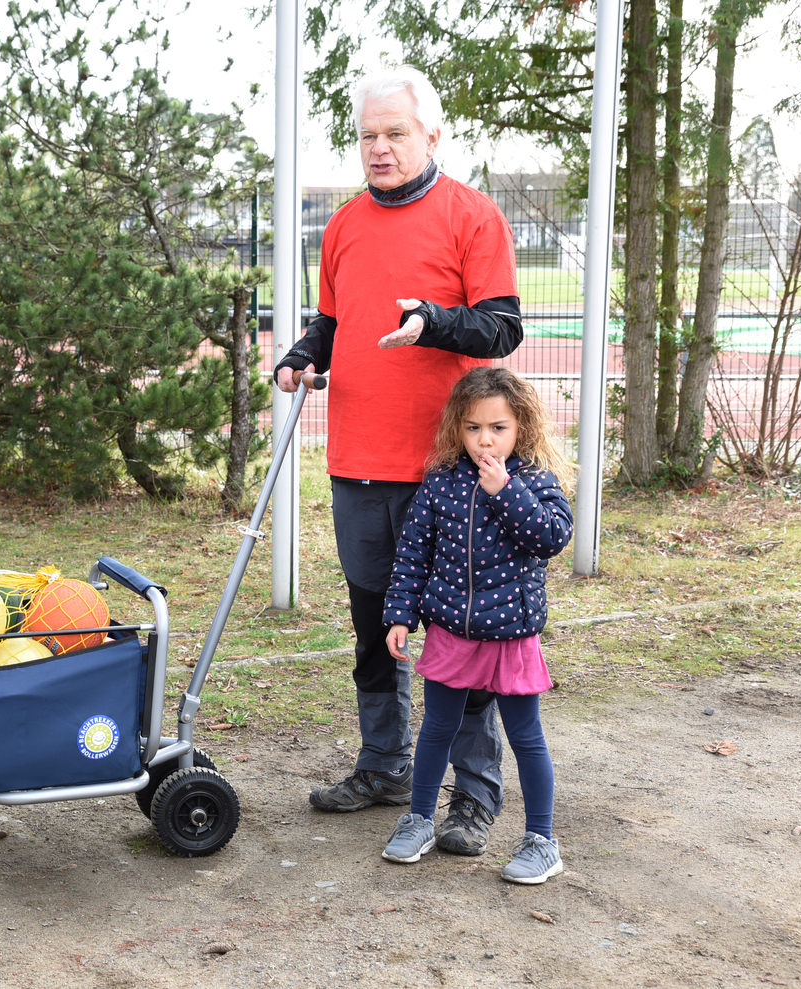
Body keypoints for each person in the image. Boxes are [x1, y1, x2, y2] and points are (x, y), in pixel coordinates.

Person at [275, 66, 523, 852]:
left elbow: (501, 329)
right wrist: (301, 353)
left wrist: (433, 325)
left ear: (432, 137)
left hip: (447, 473)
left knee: (462, 635)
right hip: (357, 465)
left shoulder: (473, 217)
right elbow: (333, 324)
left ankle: (473, 795)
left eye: (395, 134)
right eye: (367, 136)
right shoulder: (344, 223)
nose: (379, 149)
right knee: (372, 627)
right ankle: (384, 765)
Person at [377, 367, 574, 883]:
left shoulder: (535, 482)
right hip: (450, 632)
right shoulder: (442, 483)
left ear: (522, 429)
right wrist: (400, 614)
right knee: (437, 728)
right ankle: (419, 819)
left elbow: (551, 537)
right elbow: (414, 553)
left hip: (511, 635)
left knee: (525, 735)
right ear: (456, 431)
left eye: (498, 428)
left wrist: (505, 490)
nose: (484, 439)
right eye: (472, 428)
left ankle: (541, 840)